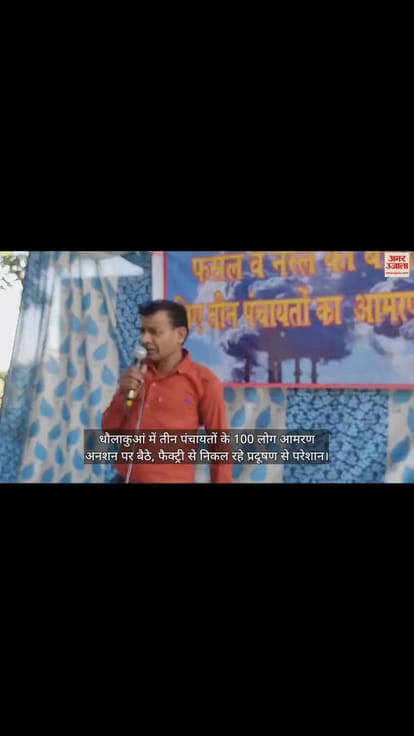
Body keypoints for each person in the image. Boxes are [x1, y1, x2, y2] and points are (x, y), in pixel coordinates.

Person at [102, 299, 233, 483]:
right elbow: (109, 432)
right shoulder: (137, 373)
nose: (145, 340)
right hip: (123, 478)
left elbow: (220, 446)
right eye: (143, 331)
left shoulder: (204, 382)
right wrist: (124, 395)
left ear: (180, 335)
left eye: (155, 332)